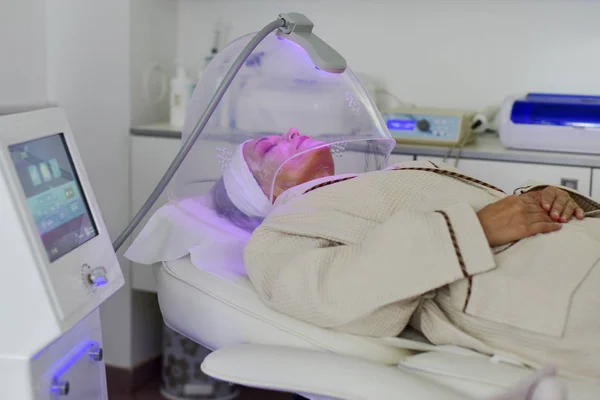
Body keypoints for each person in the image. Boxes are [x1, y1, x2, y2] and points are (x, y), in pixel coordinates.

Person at [212, 128, 600, 382]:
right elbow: (333, 293)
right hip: (539, 286)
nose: (292, 132)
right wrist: (475, 229)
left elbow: (489, 206)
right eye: (269, 146)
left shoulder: (367, 182)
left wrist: (541, 197)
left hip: (573, 239)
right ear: (257, 189)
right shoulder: (275, 235)